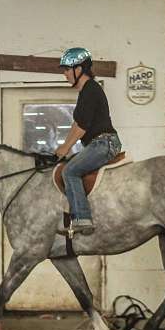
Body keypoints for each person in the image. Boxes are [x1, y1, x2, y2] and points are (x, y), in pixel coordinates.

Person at [55, 47, 122, 236]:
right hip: (98, 143)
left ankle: (82, 218)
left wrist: (66, 148)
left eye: (67, 69)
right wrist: (63, 148)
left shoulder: (91, 89)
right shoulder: (86, 92)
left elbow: (83, 126)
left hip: (103, 143)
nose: (65, 74)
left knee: (70, 171)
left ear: (79, 69)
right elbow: (77, 124)